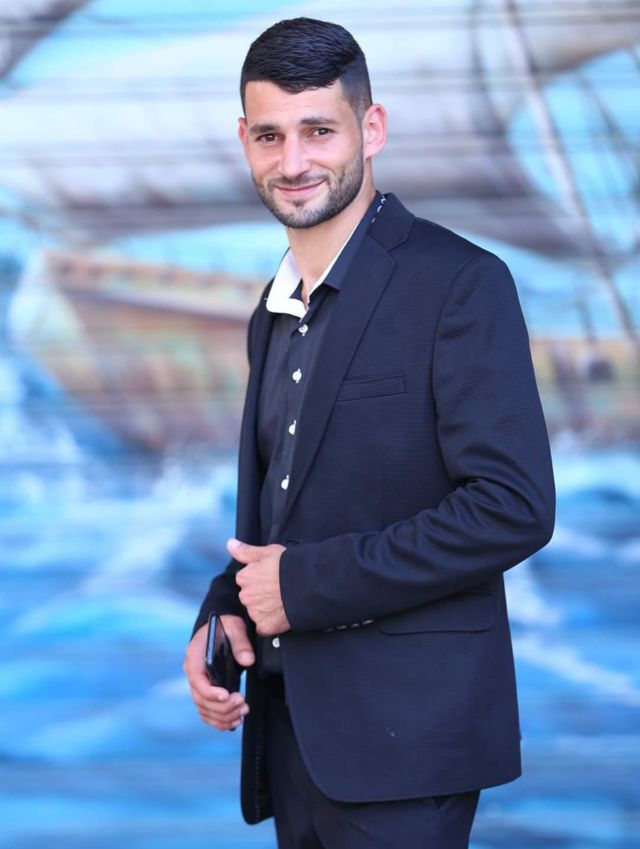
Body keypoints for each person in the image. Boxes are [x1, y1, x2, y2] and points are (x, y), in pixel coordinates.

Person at [183, 16, 555, 849]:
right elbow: (287, 509)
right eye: (270, 135)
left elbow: (514, 506)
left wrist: (304, 585)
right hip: (291, 734)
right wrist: (225, 610)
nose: (293, 162)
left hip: (410, 746)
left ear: (372, 128)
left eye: (319, 130)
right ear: (244, 141)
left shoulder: (461, 284)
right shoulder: (272, 311)